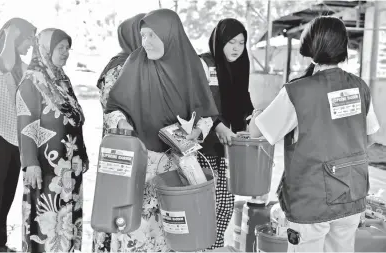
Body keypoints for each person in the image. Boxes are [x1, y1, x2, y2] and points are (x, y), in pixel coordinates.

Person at [249, 16, 380, 252]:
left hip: (312, 200)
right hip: (352, 194)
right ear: (344, 48)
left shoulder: (298, 91)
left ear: (310, 48)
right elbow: (369, 137)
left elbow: (258, 131)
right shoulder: (360, 87)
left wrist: (258, 113)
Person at [104, 9, 218, 252]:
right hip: (142, 162)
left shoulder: (193, 66)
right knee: (138, 233)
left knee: (175, 231)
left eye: (152, 36)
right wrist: (121, 122)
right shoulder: (135, 62)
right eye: (143, 36)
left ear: (170, 35)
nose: (145, 42)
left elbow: (206, 114)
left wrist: (197, 132)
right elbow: (114, 108)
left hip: (178, 164)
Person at [17, 28, 88, 253]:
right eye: (60, 47)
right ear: (45, 48)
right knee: (46, 221)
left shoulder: (61, 81)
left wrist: (82, 154)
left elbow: (75, 121)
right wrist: (30, 162)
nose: (66, 52)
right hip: (46, 167)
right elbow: (26, 124)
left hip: (69, 167)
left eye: (68, 48)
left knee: (67, 221)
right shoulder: (32, 81)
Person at [0, 18, 36, 252]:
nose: (30, 44)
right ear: (14, 36)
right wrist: (10, 34)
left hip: (14, 137)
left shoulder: (19, 65)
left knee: (7, 193)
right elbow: (5, 63)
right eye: (27, 39)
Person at [92, 13, 145, 252]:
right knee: (115, 203)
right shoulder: (120, 66)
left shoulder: (134, 63)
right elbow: (112, 107)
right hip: (121, 147)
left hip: (127, 147)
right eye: (143, 34)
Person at [198, 18, 253, 249]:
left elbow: (243, 99)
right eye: (231, 41)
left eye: (241, 42)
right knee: (205, 200)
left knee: (226, 202)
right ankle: (200, 244)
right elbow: (198, 100)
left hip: (230, 145)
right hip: (206, 144)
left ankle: (215, 244)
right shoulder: (204, 63)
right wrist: (217, 125)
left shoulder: (241, 65)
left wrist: (250, 119)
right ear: (219, 40)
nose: (236, 48)